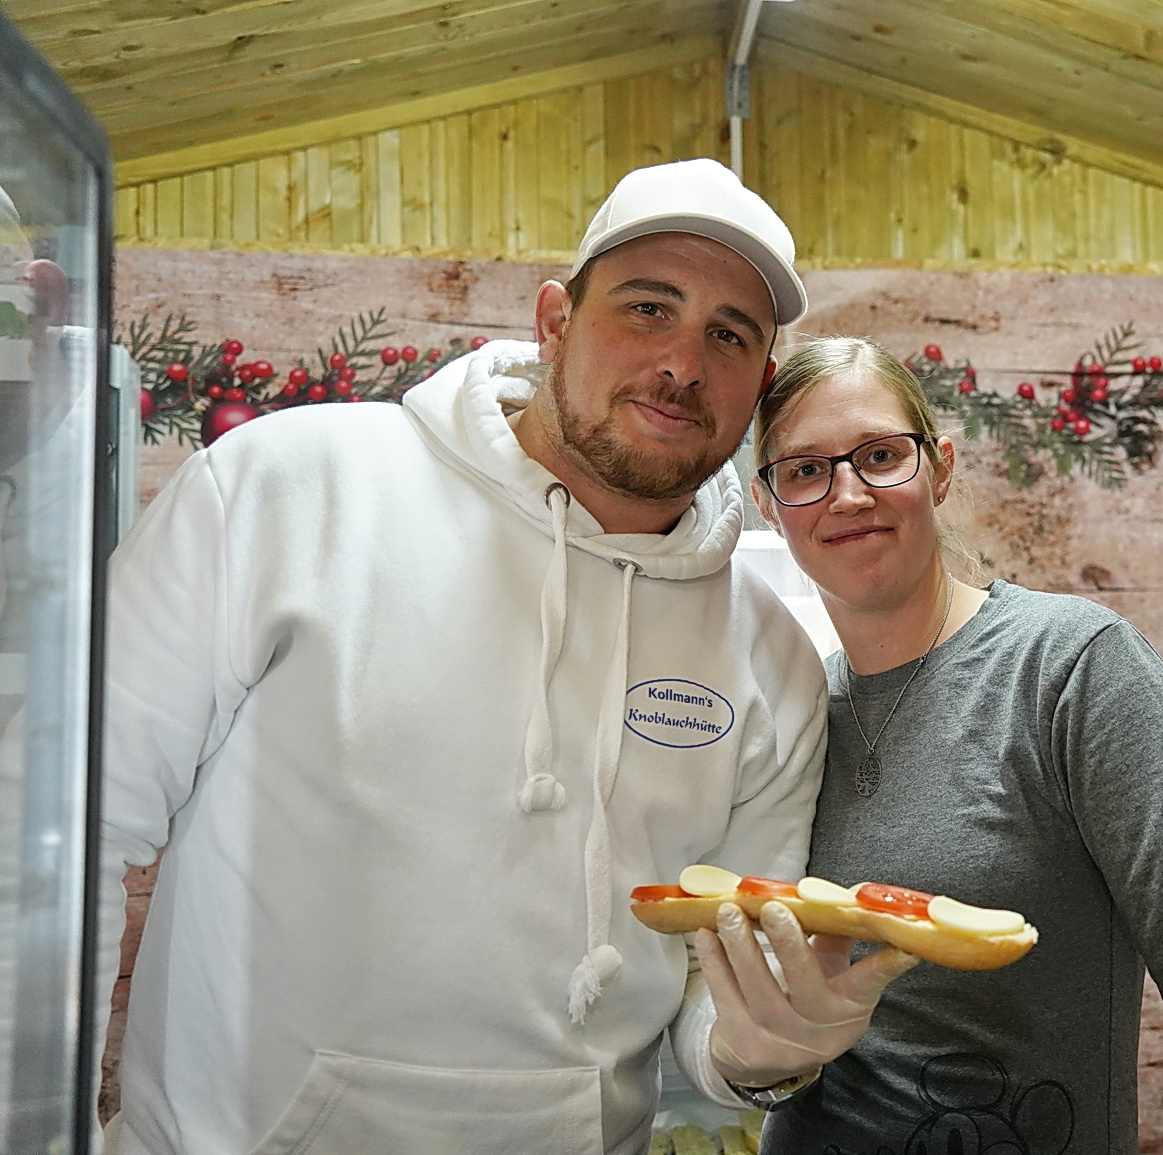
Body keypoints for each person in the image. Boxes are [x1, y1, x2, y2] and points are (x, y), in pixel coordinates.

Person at [98, 159, 911, 1155]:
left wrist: (767, 1045)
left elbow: (713, 999)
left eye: (728, 335)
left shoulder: (772, 653)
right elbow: (68, 832)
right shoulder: (282, 489)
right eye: (648, 308)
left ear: (757, 386)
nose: (684, 365)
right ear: (555, 319)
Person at [731, 335, 1163, 1154]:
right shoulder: (794, 710)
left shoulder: (1070, 668)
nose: (849, 493)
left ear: (938, 468)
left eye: (878, 454)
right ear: (769, 504)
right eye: (804, 470)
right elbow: (767, 1025)